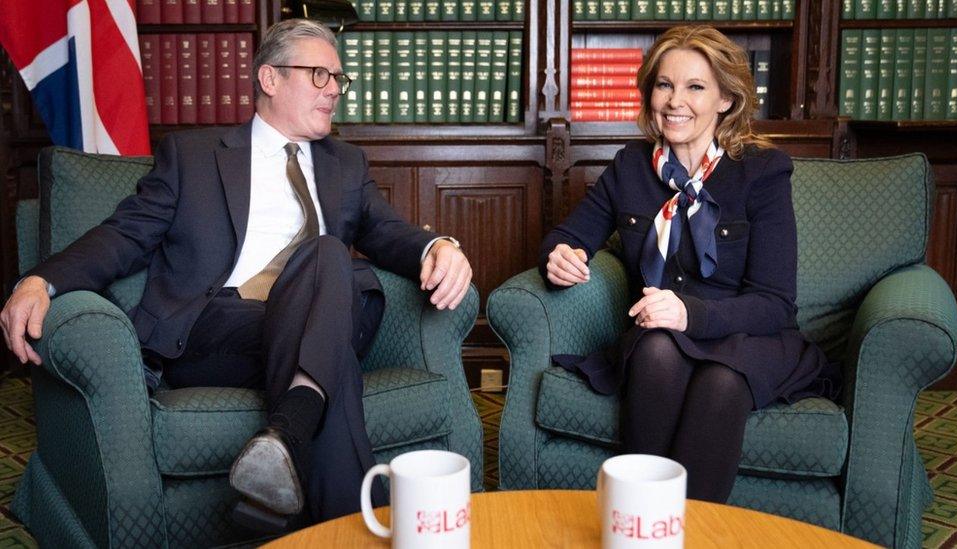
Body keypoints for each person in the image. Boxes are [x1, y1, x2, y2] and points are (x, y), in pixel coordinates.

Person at [0, 18, 472, 529]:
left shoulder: (346, 164)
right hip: (217, 327)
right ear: (269, 79)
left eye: (339, 78)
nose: (335, 89)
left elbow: (387, 232)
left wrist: (437, 245)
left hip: (316, 310)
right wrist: (39, 280)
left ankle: (286, 445)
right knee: (333, 350)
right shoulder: (193, 156)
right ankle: (317, 477)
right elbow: (124, 236)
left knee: (329, 257)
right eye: (319, 75)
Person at [541, 25, 829, 503]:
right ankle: (635, 518)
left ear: (726, 101)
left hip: (748, 335)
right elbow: (568, 236)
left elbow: (775, 304)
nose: (676, 101)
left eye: (696, 87)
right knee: (654, 348)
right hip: (663, 334)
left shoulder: (762, 173)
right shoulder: (630, 167)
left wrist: (691, 314)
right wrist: (561, 255)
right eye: (664, 85)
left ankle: (690, 532)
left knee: (720, 380)